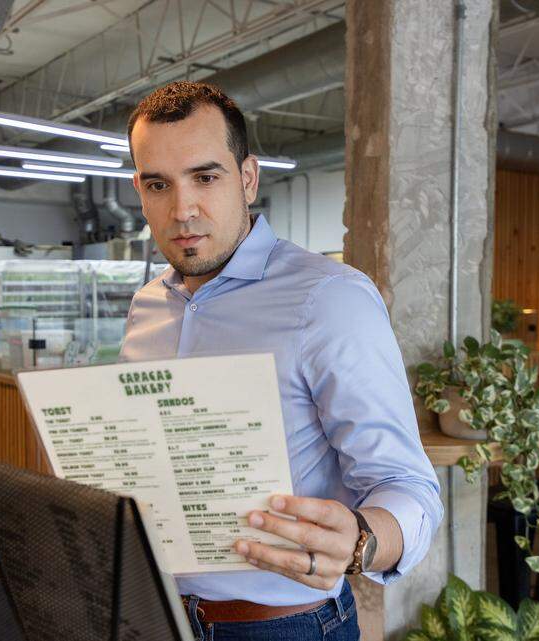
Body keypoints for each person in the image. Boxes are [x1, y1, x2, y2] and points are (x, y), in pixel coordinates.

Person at [120, 81, 443, 641]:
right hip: (155, 616)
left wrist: (363, 539)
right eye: (158, 185)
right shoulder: (145, 306)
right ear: (139, 191)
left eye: (205, 176)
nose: (183, 209)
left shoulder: (329, 297)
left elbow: (407, 485)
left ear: (247, 178)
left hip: (283, 628)